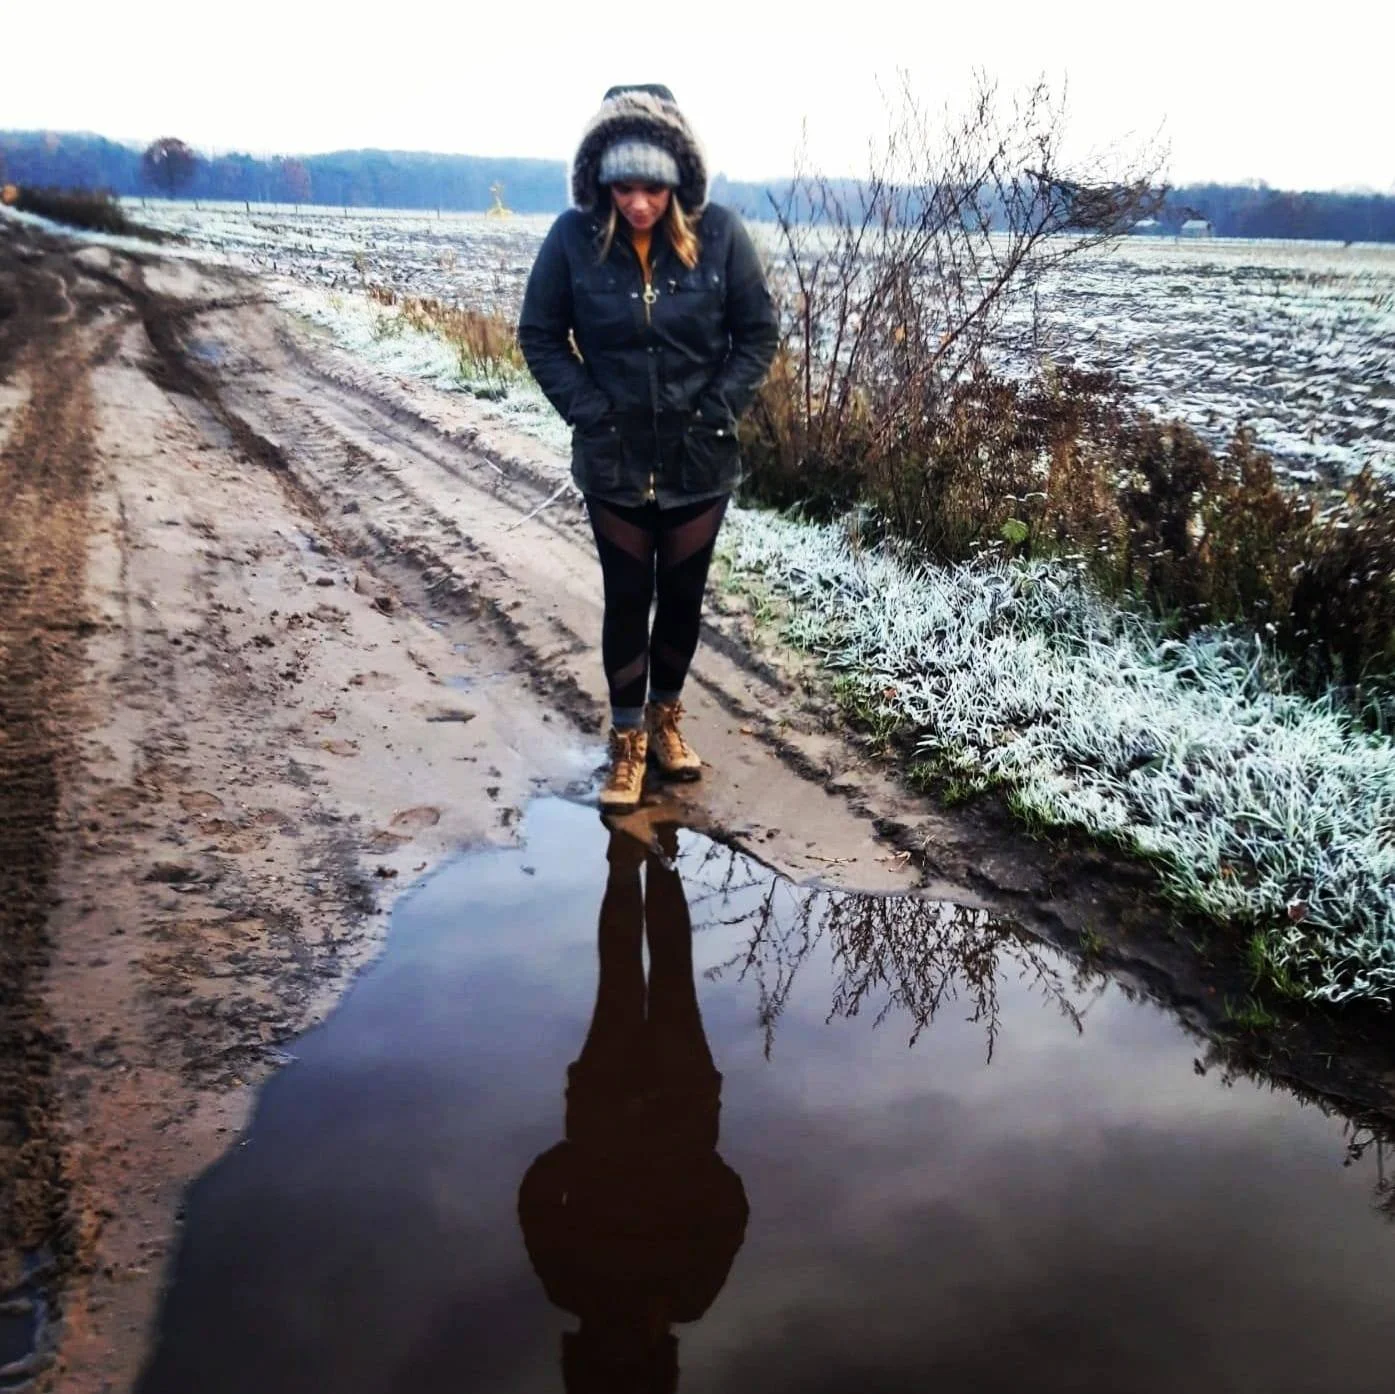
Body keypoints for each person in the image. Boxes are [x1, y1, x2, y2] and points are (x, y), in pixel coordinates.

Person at [518, 84, 779, 813]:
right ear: (600, 182)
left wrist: (718, 409)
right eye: (623, 188)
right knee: (628, 598)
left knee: (684, 599)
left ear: (678, 181)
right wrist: (589, 412)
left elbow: (756, 333)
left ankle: (668, 722)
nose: (638, 204)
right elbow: (540, 335)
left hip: (700, 458)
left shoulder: (720, 234)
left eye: (652, 189)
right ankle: (627, 741)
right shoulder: (572, 239)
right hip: (614, 459)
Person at [517, 824, 748, 1393]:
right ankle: (654, 858)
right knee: (660, 977)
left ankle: (634, 864)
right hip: (674, 1106)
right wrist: (689, 1157)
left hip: (620, 1106)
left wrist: (587, 1151)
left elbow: (536, 1198)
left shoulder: (576, 1285)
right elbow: (730, 1209)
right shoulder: (684, 1295)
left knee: (630, 979)